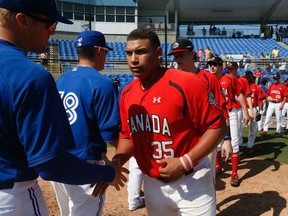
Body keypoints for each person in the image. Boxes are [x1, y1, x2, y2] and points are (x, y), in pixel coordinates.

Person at [0, 1, 128, 215]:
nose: (52, 31)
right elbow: (50, 165)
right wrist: (109, 172)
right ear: (22, 20)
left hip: (61, 162)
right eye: (50, 24)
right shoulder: (31, 74)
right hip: (15, 193)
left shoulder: (64, 78)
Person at [94, 28, 227, 215]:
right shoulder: (126, 93)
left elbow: (218, 126)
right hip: (153, 184)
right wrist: (117, 161)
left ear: (158, 53)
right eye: (129, 53)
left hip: (192, 179)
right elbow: (127, 135)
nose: (133, 59)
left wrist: (185, 162)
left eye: (141, 51)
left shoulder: (186, 82)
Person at [51, 30, 121, 216]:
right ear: (99, 50)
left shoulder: (62, 79)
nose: (106, 55)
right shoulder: (102, 82)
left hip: (59, 161)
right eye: (106, 51)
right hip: (86, 165)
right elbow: (110, 135)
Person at [167, 38, 232, 181]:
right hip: (180, 137)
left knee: (206, 178)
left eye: (182, 55)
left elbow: (220, 108)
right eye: (176, 56)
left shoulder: (208, 78)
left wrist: (227, 138)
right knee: (178, 178)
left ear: (192, 54)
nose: (178, 59)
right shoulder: (170, 78)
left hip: (205, 135)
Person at [208, 57, 250, 187]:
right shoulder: (209, 79)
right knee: (217, 142)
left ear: (221, 66)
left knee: (235, 141)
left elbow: (240, 95)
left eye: (215, 64)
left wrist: (246, 112)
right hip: (218, 114)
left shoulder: (230, 78)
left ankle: (234, 173)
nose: (212, 67)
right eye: (210, 64)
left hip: (232, 112)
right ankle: (218, 165)